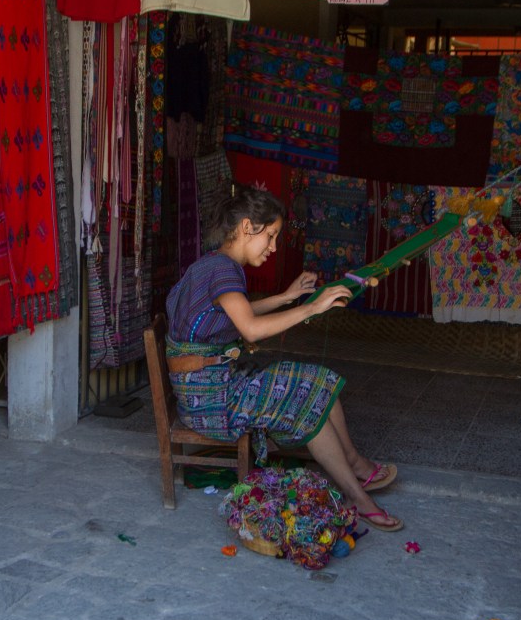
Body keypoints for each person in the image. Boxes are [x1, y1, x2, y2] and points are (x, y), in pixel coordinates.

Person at [165, 186, 402, 531]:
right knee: (305, 395)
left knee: (317, 379)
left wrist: (286, 298)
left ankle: (356, 466)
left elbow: (236, 313)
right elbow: (250, 329)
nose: (274, 247)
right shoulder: (224, 270)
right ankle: (358, 496)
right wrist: (311, 307)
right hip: (212, 401)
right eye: (271, 236)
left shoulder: (211, 264)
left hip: (203, 391)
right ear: (247, 227)